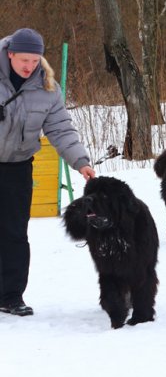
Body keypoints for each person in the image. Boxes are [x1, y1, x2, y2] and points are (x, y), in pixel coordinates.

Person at [0, 28, 95, 317]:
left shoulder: (47, 87)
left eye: (35, 60)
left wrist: (80, 161)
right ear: (10, 54)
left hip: (17, 166)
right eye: (24, 60)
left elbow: (60, 129)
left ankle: (10, 296)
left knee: (14, 233)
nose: (29, 67)